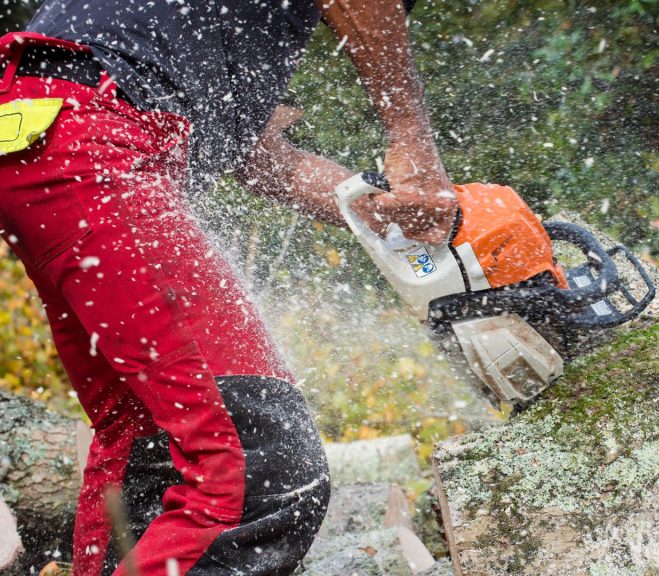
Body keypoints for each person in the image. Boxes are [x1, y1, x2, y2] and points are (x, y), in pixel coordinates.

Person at [0, 0, 456, 574]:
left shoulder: (204, 32)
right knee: (257, 469)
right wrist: (410, 136)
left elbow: (272, 163)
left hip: (44, 131)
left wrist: (398, 217)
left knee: (154, 449)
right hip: (99, 136)